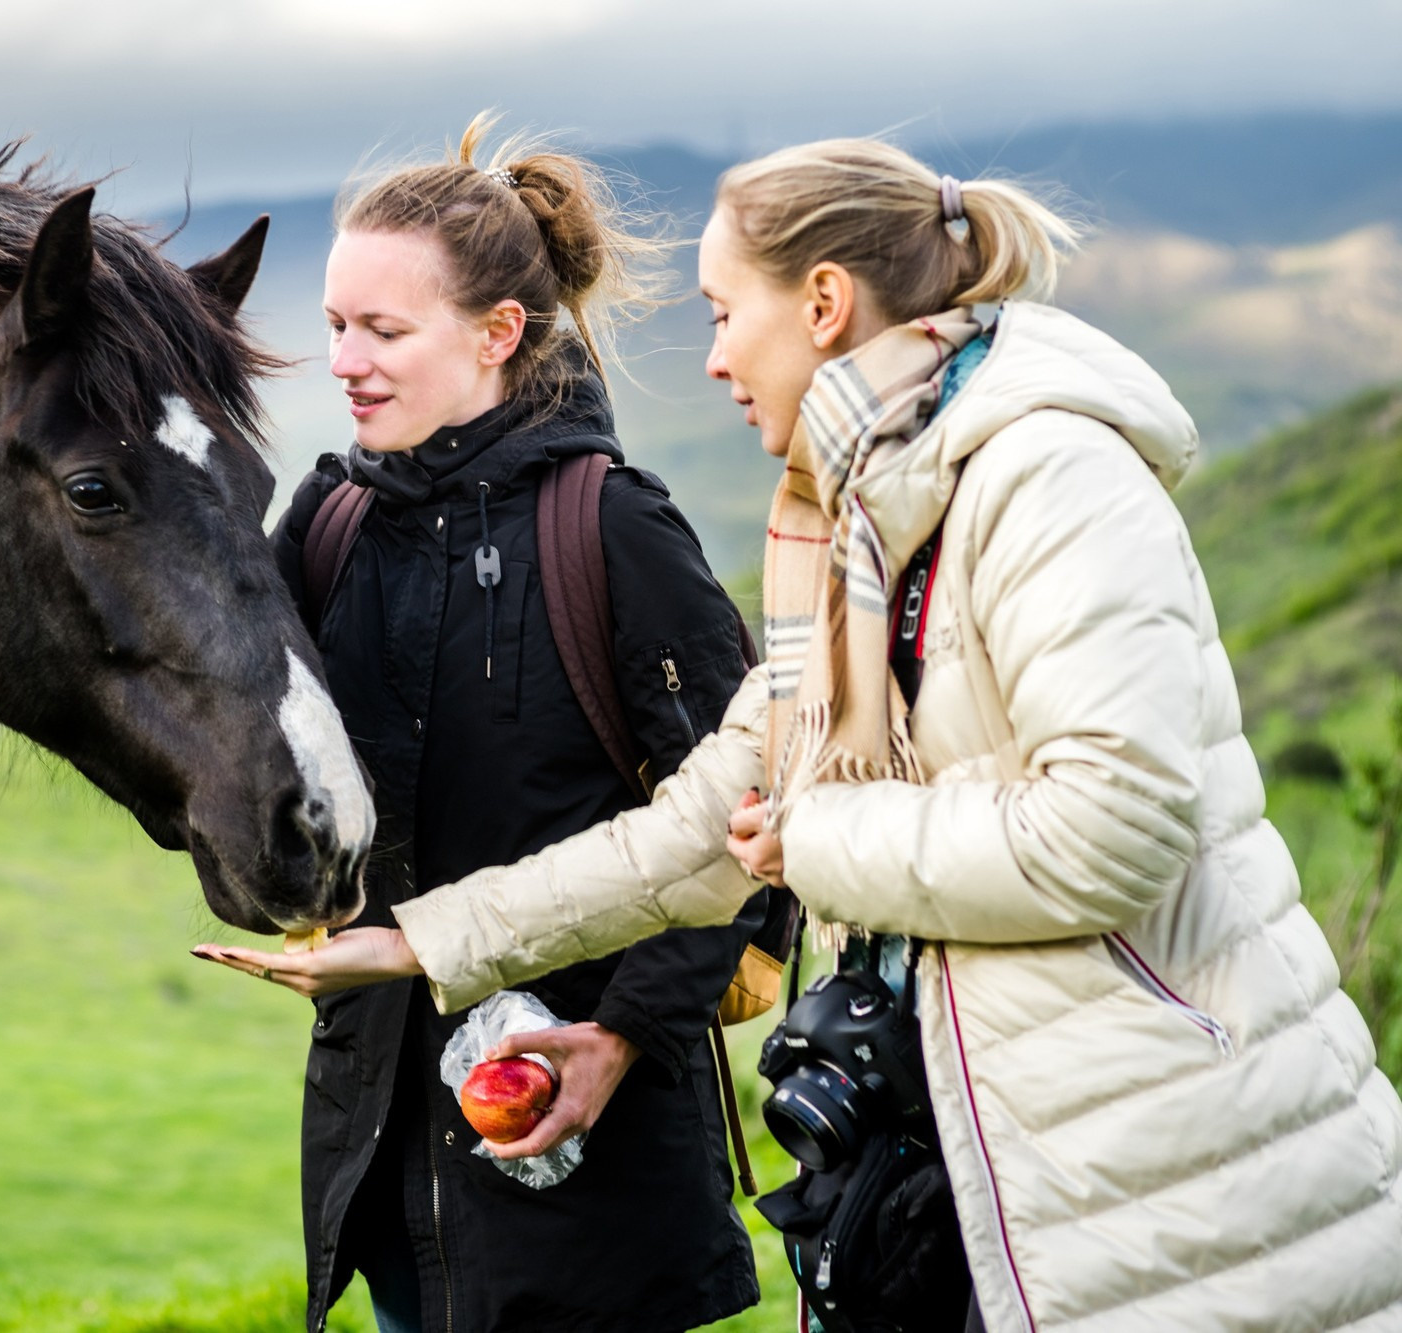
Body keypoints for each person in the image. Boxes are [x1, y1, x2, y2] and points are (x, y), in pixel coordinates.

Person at [202, 138, 1402, 1330]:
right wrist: (416, 945)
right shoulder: (849, 527)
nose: (713, 357)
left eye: (725, 314)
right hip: (978, 1157)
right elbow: (695, 830)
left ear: (822, 304)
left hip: (1174, 1170)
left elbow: (1111, 828)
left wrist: (809, 847)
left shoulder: (1051, 478)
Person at [221, 116, 773, 1333]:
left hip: (597, 1179)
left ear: (497, 332)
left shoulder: (612, 531)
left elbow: (745, 837)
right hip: (383, 1165)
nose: (345, 362)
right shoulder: (326, 527)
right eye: (335, 327)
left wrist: (618, 1038)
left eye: (383, 331)